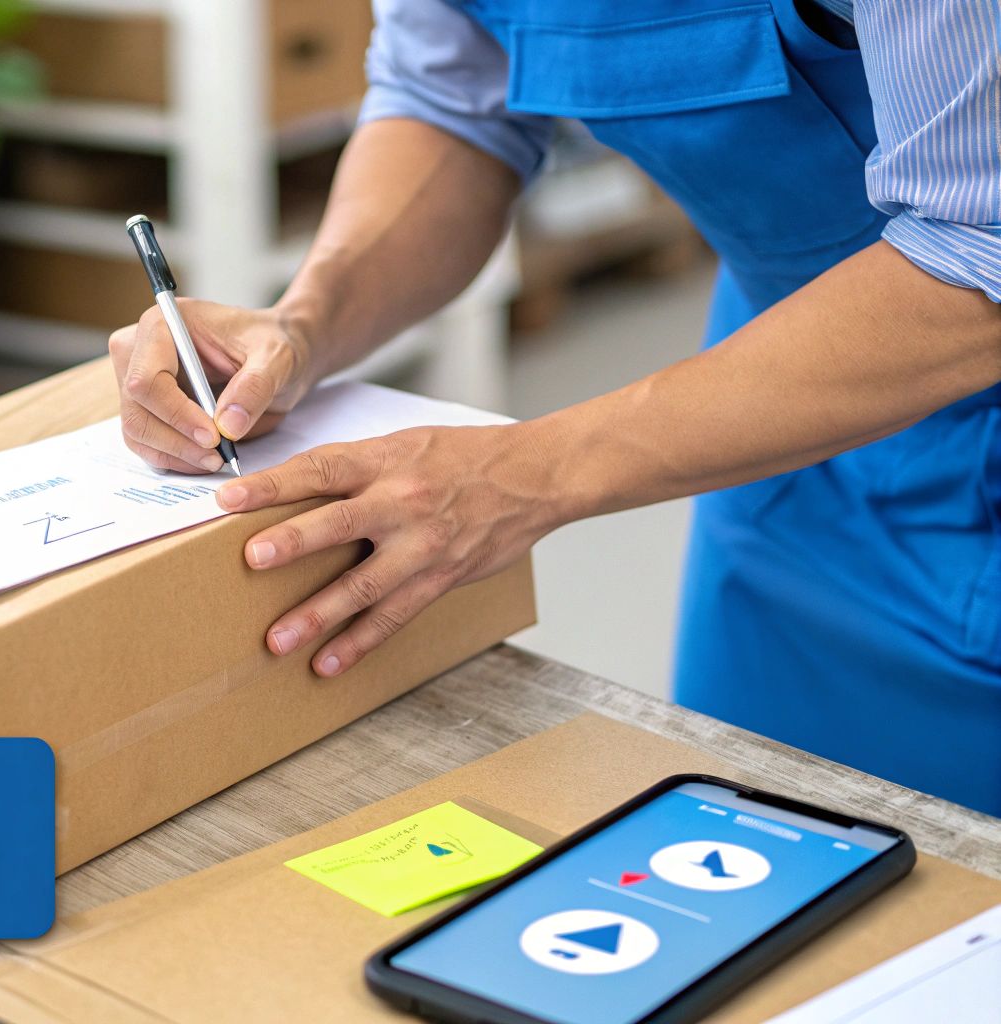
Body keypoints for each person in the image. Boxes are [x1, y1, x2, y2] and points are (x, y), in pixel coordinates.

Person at [108, 0, 1001, 813]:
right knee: (761, 853)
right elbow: (450, 101)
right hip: (780, 421)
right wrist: (302, 324)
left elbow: (981, 244)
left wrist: (530, 472)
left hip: (927, 369)